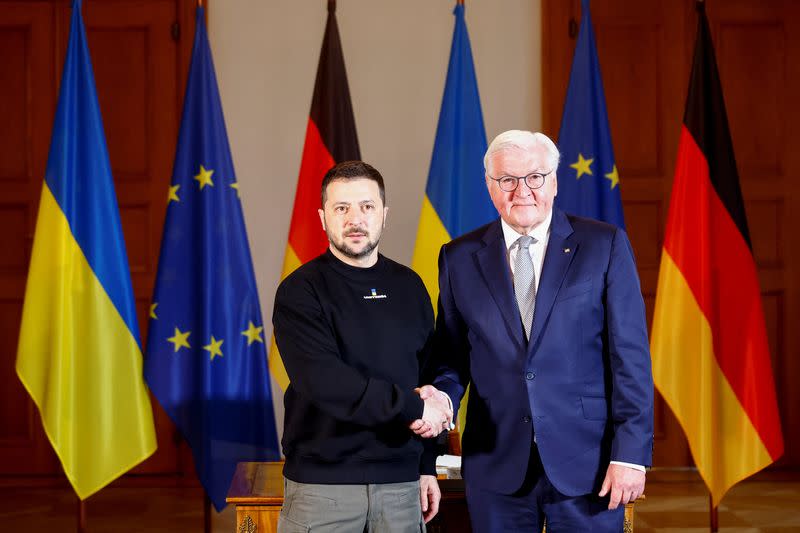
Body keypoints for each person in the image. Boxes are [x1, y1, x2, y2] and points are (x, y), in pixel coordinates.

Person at [416, 130, 654, 532]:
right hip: (496, 465)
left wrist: (630, 454)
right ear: (490, 187)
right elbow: (452, 357)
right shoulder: (458, 257)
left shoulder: (603, 245)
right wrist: (440, 399)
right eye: (507, 180)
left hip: (588, 464)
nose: (521, 190)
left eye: (534, 177)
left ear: (554, 182)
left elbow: (629, 358)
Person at [272, 160, 452, 533]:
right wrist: (415, 406)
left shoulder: (410, 285)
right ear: (323, 218)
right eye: (342, 208)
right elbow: (325, 381)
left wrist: (425, 464)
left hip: (402, 487)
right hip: (324, 490)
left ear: (384, 215)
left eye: (367, 207)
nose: (355, 219)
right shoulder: (300, 291)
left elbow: (428, 375)